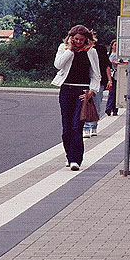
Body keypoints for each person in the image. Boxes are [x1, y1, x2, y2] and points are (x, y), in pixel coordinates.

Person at [52, 25, 101, 170]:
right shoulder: (64, 48)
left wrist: (92, 91)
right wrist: (71, 51)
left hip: (82, 90)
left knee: (76, 126)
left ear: (86, 39)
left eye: (81, 39)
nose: (79, 42)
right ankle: (69, 155)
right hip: (66, 88)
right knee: (66, 127)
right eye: (76, 39)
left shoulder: (91, 52)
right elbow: (58, 64)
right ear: (71, 38)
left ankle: (76, 159)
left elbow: (96, 74)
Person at [83, 32, 114, 137]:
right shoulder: (81, 50)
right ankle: (86, 127)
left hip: (99, 80)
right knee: (85, 104)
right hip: (85, 81)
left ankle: (94, 126)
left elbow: (107, 65)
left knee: (96, 105)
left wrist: (109, 80)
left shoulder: (100, 49)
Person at [104, 39, 119, 116]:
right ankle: (109, 108)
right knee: (111, 92)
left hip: (117, 74)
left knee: (115, 92)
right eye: (115, 45)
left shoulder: (119, 55)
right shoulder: (108, 54)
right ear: (112, 46)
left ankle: (113, 109)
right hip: (110, 74)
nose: (116, 46)